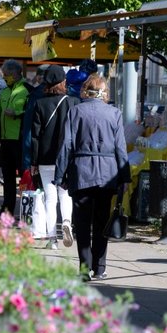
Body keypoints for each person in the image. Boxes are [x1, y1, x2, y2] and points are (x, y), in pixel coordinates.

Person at [54, 74, 130, 281]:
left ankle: (83, 268)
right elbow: (120, 149)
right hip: (108, 173)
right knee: (102, 221)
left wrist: (60, 174)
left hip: (82, 172)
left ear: (85, 90)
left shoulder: (75, 111)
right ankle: (100, 267)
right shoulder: (114, 113)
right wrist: (125, 177)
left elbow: (66, 145)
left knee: (82, 223)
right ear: (105, 92)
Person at [30, 66, 78, 248]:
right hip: (67, 157)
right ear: (63, 82)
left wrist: (33, 162)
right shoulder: (73, 102)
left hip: (45, 158)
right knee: (66, 194)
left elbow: (35, 136)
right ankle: (66, 221)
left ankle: (52, 239)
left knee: (50, 198)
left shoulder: (39, 104)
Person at [0, 59, 30, 217]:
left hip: (20, 140)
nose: (5, 78)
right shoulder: (5, 91)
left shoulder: (26, 90)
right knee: (8, 178)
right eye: (4, 75)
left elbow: (31, 113)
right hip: (6, 139)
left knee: (24, 177)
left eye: (7, 75)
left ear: (16, 74)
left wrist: (17, 114)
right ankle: (7, 208)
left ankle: (26, 211)